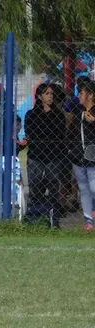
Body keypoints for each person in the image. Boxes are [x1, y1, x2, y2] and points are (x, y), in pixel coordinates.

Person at [25, 84, 66, 227]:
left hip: (53, 156)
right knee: (35, 186)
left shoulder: (58, 114)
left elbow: (59, 133)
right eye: (47, 93)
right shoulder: (31, 114)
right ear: (40, 96)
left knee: (53, 187)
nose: (50, 96)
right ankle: (35, 219)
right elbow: (32, 132)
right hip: (36, 155)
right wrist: (45, 121)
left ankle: (53, 219)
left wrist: (48, 116)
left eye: (52, 94)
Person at [69, 78, 95, 230]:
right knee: (84, 188)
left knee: (93, 187)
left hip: (92, 156)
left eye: (82, 93)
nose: (79, 96)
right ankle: (88, 222)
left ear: (91, 95)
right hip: (78, 156)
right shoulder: (78, 111)